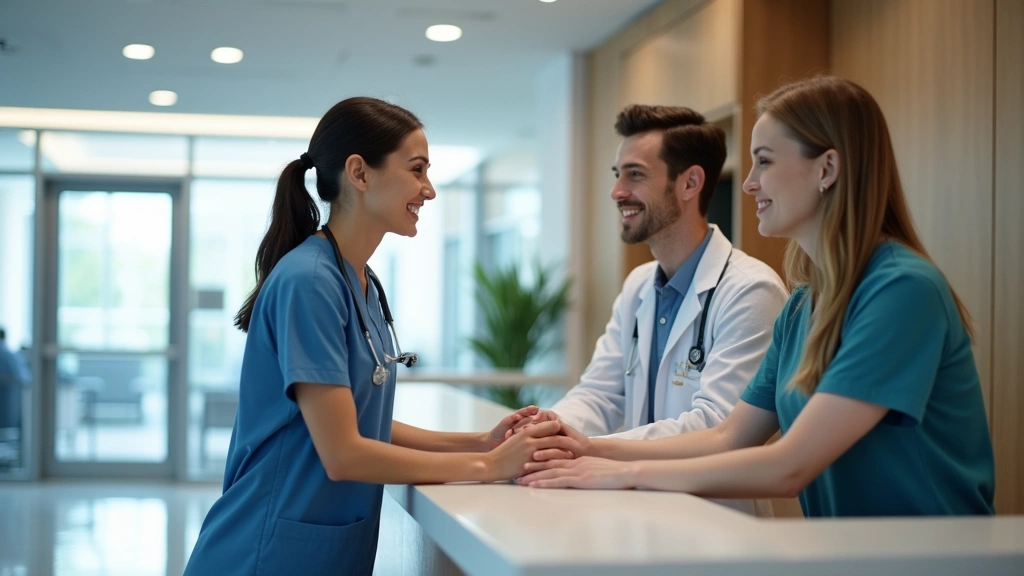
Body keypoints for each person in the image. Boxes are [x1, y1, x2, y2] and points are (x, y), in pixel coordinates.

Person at [517, 77, 996, 517]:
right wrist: (585, 448)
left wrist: (622, 472)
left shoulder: (900, 289)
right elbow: (727, 437)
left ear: (828, 167)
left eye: (764, 161)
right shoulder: (803, 305)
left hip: (929, 557)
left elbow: (789, 467)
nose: (747, 183)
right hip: (849, 555)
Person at [184, 97, 581, 576]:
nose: (429, 190)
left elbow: (358, 421)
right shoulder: (310, 281)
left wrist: (480, 441)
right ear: (359, 173)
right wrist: (489, 467)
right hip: (264, 551)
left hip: (317, 548)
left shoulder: (360, 281)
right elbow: (343, 452)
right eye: (417, 171)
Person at [512, 104, 788, 516]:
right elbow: (600, 394)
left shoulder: (750, 290)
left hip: (716, 520)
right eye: (617, 174)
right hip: (640, 510)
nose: (617, 190)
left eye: (635, 174)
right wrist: (549, 429)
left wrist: (588, 448)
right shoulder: (639, 285)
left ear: (690, 183)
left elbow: (717, 426)